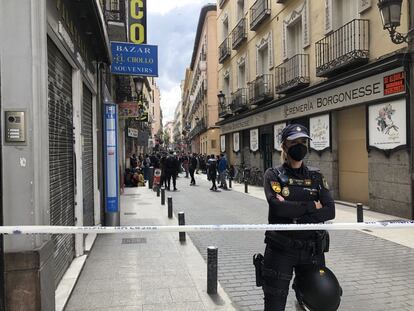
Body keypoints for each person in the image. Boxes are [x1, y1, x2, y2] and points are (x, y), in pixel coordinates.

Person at [258, 124, 336, 311]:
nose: (300, 145)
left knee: (318, 304)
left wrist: (293, 212)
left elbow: (330, 210)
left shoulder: (316, 177)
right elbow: (277, 208)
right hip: (280, 250)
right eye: (294, 142)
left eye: (303, 142)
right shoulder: (273, 175)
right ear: (284, 146)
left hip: (312, 251)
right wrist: (311, 207)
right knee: (275, 306)